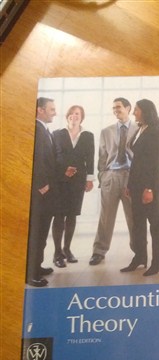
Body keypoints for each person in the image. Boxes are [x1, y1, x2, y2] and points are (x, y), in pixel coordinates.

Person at [89, 98, 138, 266]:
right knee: (106, 217)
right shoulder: (106, 131)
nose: (115, 110)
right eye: (113, 108)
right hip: (111, 176)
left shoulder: (139, 129)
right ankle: (99, 251)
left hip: (131, 177)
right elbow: (102, 156)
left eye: (118, 107)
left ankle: (139, 251)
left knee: (134, 217)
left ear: (128, 108)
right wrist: (103, 176)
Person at [121, 99, 159, 277]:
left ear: (146, 111)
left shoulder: (157, 131)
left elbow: (155, 162)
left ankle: (158, 261)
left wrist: (149, 189)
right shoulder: (140, 129)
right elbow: (136, 161)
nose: (134, 113)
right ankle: (140, 257)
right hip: (136, 184)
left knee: (155, 224)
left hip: (149, 185)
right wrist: (130, 185)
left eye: (137, 110)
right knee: (138, 224)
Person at [51, 105, 95, 267]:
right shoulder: (57, 134)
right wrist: (63, 171)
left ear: (81, 117)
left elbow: (90, 158)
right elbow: (53, 158)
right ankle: (57, 253)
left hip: (78, 180)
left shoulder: (88, 135)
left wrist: (89, 179)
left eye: (77, 114)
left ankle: (67, 249)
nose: (73, 116)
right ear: (67, 116)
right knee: (59, 215)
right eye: (71, 113)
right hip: (60, 180)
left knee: (72, 215)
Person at [26, 98, 59, 287]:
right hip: (40, 191)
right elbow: (35, 159)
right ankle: (31, 273)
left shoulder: (45, 130)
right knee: (36, 232)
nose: (55, 112)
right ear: (40, 110)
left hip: (47, 191)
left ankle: (36, 266)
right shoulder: (36, 130)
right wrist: (42, 184)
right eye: (51, 109)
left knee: (42, 231)